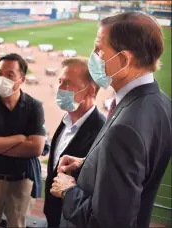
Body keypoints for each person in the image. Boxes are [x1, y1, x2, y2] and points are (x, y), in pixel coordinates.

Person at [50, 12, 172, 227]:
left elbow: (108, 221)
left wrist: (67, 191)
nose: (93, 57)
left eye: (98, 50)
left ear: (124, 59)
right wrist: (88, 163)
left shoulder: (126, 128)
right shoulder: (160, 101)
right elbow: (135, 171)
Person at [0, 53, 46, 227]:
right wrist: (19, 138)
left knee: (17, 225)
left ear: (22, 80)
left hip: (21, 181)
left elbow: (35, 148)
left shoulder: (34, 107)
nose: (2, 79)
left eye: (10, 75)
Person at [43, 57, 106, 227]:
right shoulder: (65, 121)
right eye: (60, 81)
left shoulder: (102, 132)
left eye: (68, 84)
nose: (60, 88)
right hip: (53, 215)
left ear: (90, 91)